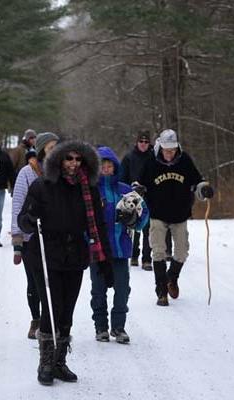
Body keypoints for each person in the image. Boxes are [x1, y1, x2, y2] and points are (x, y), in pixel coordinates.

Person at [18, 140, 114, 386]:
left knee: (67, 309)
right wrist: (29, 219)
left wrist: (105, 260)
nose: (73, 164)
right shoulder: (43, 185)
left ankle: (60, 362)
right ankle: (46, 362)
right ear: (59, 160)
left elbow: (99, 225)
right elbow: (24, 218)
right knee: (52, 308)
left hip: (75, 253)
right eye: (69, 159)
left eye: (78, 159)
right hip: (46, 253)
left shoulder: (88, 188)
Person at [138, 129, 214, 306]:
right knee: (158, 251)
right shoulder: (151, 161)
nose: (170, 153)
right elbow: (139, 183)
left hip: (180, 213)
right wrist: (139, 190)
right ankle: (161, 291)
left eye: (172, 150)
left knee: (181, 252)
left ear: (177, 147)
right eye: (166, 150)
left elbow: (197, 181)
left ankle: (171, 278)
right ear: (160, 147)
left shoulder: (184, 160)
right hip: (157, 213)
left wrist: (204, 189)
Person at [90, 146, 149, 344]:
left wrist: (135, 221)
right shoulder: (91, 191)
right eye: (102, 167)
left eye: (109, 166)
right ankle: (101, 327)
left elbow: (144, 214)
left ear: (115, 167)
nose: (106, 170)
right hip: (98, 250)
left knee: (122, 289)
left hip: (121, 249)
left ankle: (118, 327)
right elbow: (82, 219)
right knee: (98, 290)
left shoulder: (125, 190)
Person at [11, 132, 59, 340]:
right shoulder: (27, 173)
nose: (54, 152)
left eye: (56, 148)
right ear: (40, 151)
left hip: (54, 237)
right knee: (34, 282)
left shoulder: (60, 173)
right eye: (50, 148)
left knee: (54, 282)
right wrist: (17, 240)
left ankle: (51, 321)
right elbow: (17, 205)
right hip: (31, 237)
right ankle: (36, 319)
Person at [120, 130, 154, 270]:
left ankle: (147, 259)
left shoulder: (154, 158)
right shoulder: (129, 157)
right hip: (132, 197)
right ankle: (134, 255)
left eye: (146, 142)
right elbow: (122, 178)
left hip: (150, 197)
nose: (144, 144)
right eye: (141, 141)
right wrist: (129, 189)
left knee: (147, 228)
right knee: (133, 225)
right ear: (137, 142)